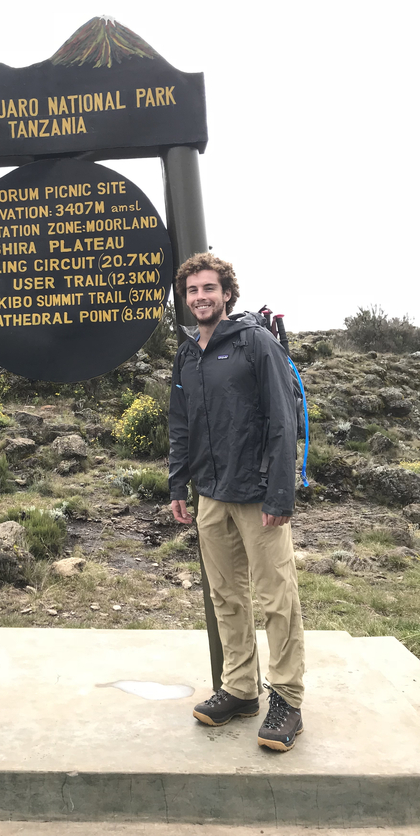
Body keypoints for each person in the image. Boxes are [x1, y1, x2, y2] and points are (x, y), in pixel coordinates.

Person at [168, 253, 305, 752]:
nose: (200, 298)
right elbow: (180, 423)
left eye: (208, 288)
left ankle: (287, 699)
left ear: (227, 293)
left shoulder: (256, 342)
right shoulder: (187, 354)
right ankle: (241, 689)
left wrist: (280, 493)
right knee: (226, 596)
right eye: (191, 291)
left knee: (276, 598)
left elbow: (283, 420)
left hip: (257, 494)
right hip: (209, 493)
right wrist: (177, 483)